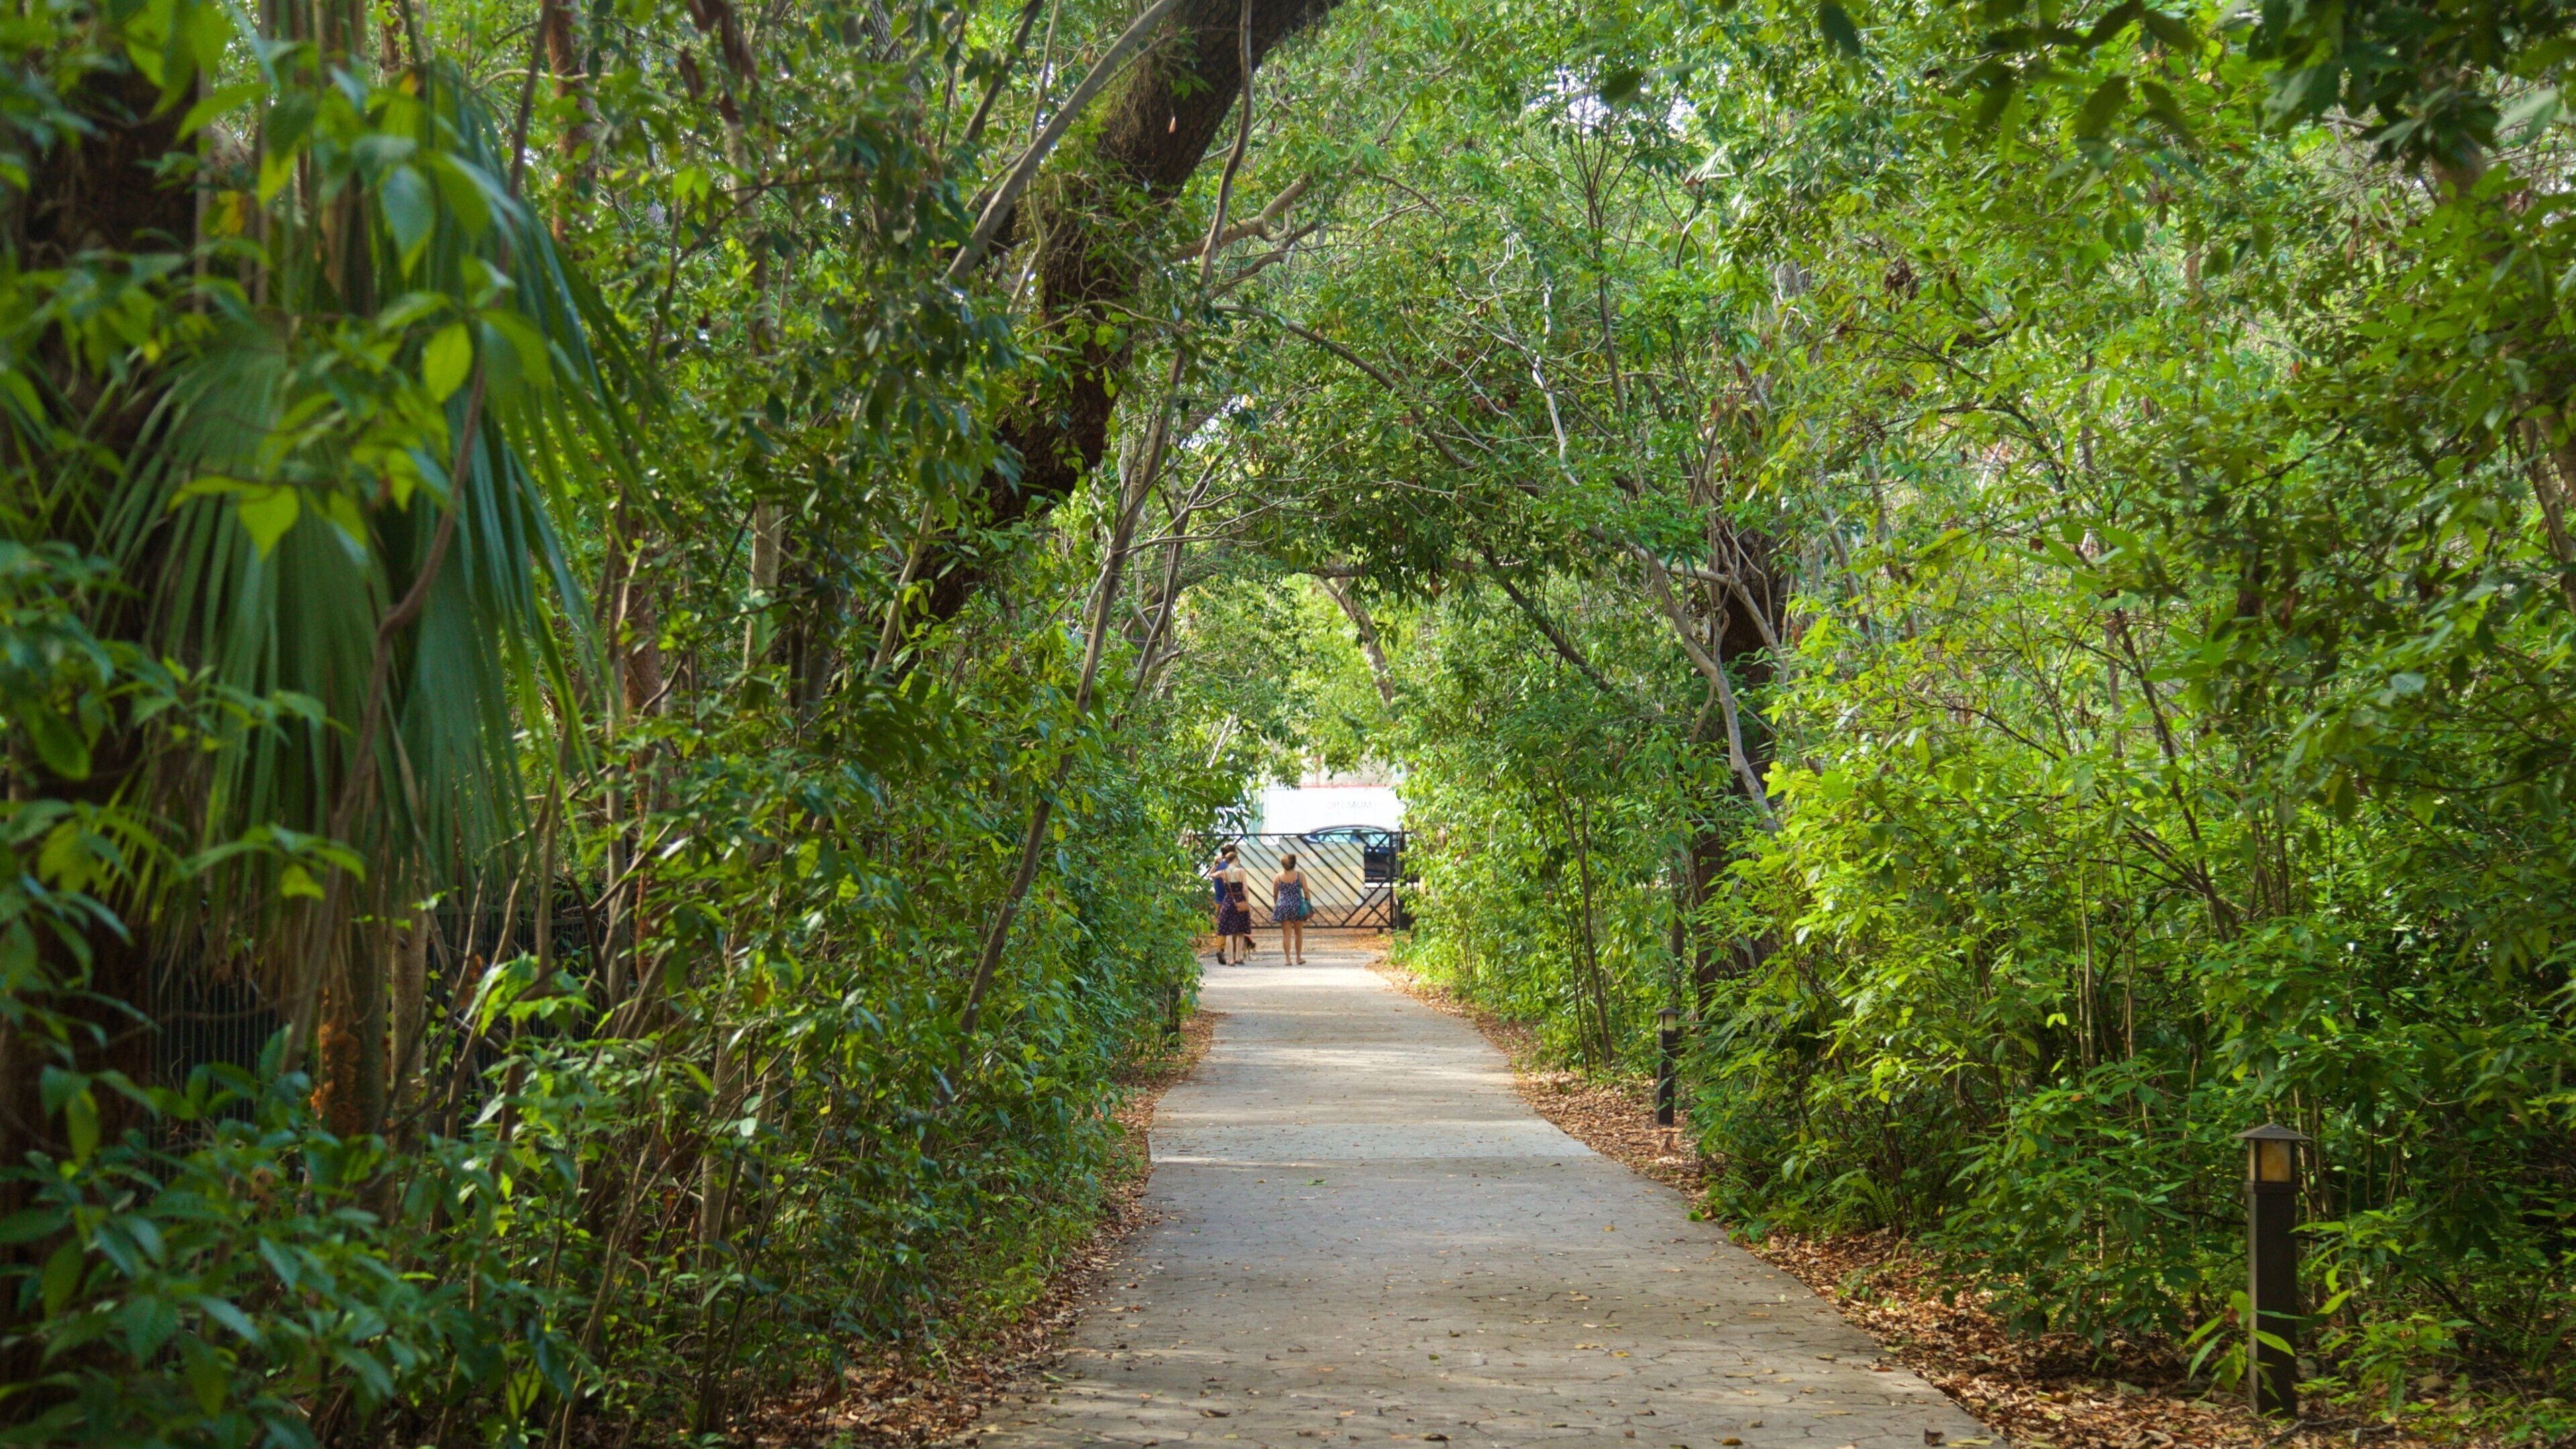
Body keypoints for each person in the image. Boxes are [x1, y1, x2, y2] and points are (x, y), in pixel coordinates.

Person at [1214, 844, 1256, 964]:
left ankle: (1225, 953)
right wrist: (1246, 903)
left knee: (1226, 930)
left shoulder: (1220, 868)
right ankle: (1236, 956)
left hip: (1222, 900)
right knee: (1238, 931)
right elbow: (1245, 889)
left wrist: (1215, 864)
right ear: (1234, 856)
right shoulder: (1238, 869)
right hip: (1237, 900)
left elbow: (1212, 877)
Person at [1273, 852, 1309, 965]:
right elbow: (1306, 891)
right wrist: (1308, 902)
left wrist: (1277, 904)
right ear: (1294, 864)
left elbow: (1275, 894)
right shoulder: (1300, 875)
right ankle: (1298, 958)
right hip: (1297, 905)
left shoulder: (1278, 877)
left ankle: (1287, 959)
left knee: (1286, 934)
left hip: (1283, 905)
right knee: (1299, 933)